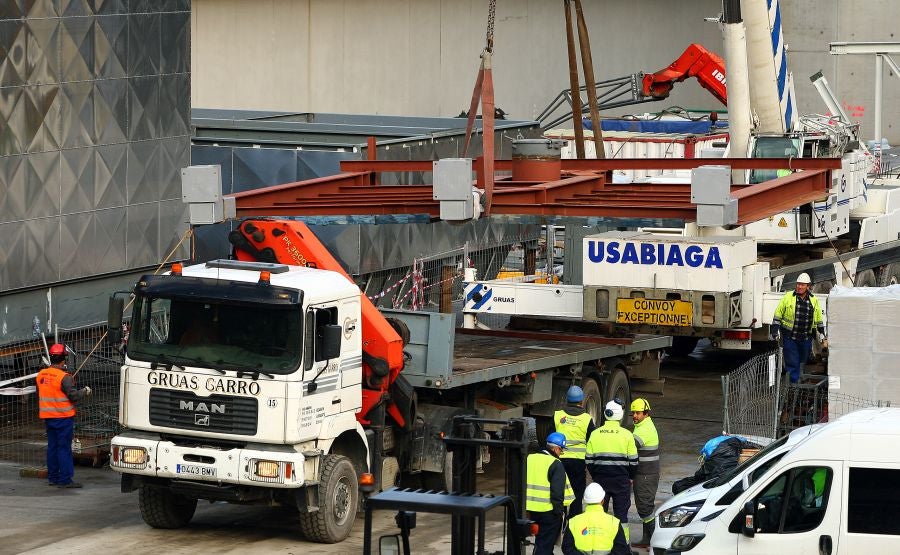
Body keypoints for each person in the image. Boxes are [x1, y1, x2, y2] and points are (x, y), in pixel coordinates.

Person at [35, 343, 91, 488]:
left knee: (52, 447)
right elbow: (74, 396)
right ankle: (65, 479)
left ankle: (53, 477)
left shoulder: (41, 375)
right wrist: (85, 391)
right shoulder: (65, 377)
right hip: (63, 418)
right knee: (63, 448)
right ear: (63, 360)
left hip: (48, 417)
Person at [586, 399, 638, 542]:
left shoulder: (595, 434)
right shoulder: (627, 435)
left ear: (605, 414)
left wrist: (596, 475)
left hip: (600, 479)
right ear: (620, 415)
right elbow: (634, 461)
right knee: (621, 516)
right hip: (621, 480)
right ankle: (623, 545)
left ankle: (599, 543)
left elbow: (589, 460)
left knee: (599, 514)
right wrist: (630, 477)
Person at [526, 432, 575, 555]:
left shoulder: (529, 458)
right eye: (561, 450)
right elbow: (557, 493)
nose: (560, 453)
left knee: (540, 542)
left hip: (529, 510)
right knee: (545, 545)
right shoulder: (555, 464)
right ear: (555, 448)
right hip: (548, 511)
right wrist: (559, 513)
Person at [771, 272, 826, 383]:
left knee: (802, 362)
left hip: (806, 338)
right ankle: (793, 387)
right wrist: (774, 330)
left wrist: (821, 332)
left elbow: (818, 318)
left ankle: (799, 384)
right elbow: (778, 314)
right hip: (790, 338)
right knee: (792, 363)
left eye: (802, 285)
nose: (799, 287)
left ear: (808, 286)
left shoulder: (813, 300)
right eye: (798, 284)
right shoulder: (788, 297)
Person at [552, 385, 597, 518]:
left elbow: (548, 439)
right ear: (581, 401)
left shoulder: (558, 415)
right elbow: (592, 440)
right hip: (578, 463)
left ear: (567, 399)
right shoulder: (586, 419)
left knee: (560, 490)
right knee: (577, 492)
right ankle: (574, 520)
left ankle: (561, 518)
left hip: (559, 460)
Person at [562, 482, 631, 555]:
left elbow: (567, 547)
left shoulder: (574, 522)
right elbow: (621, 550)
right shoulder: (613, 522)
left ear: (585, 501)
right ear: (602, 501)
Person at [630, 398, 660, 548]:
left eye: (638, 413)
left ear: (646, 413)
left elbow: (630, 444)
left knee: (645, 507)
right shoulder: (642, 425)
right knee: (644, 505)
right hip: (644, 473)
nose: (634, 415)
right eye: (633, 413)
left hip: (646, 474)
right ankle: (646, 540)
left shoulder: (644, 429)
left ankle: (654, 541)